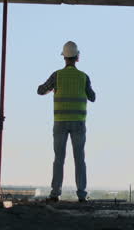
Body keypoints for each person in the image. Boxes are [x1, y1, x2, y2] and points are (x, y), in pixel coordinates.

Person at [37, 41, 96, 203]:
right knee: (79, 159)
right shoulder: (84, 77)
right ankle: (82, 195)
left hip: (60, 122)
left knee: (59, 158)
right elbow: (92, 97)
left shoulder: (56, 75)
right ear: (77, 57)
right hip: (78, 123)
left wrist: (52, 88)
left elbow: (40, 91)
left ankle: (55, 193)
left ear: (64, 58)